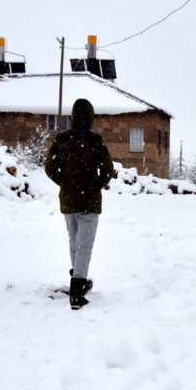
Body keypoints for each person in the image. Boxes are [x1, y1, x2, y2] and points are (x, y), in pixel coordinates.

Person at [44, 98, 115, 310]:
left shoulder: (62, 139)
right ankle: (77, 288)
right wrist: (95, 185)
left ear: (73, 116)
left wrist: (66, 183)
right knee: (85, 244)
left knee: (74, 241)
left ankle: (79, 276)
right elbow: (108, 169)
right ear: (91, 116)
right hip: (89, 200)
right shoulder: (95, 140)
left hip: (69, 199)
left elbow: (49, 168)